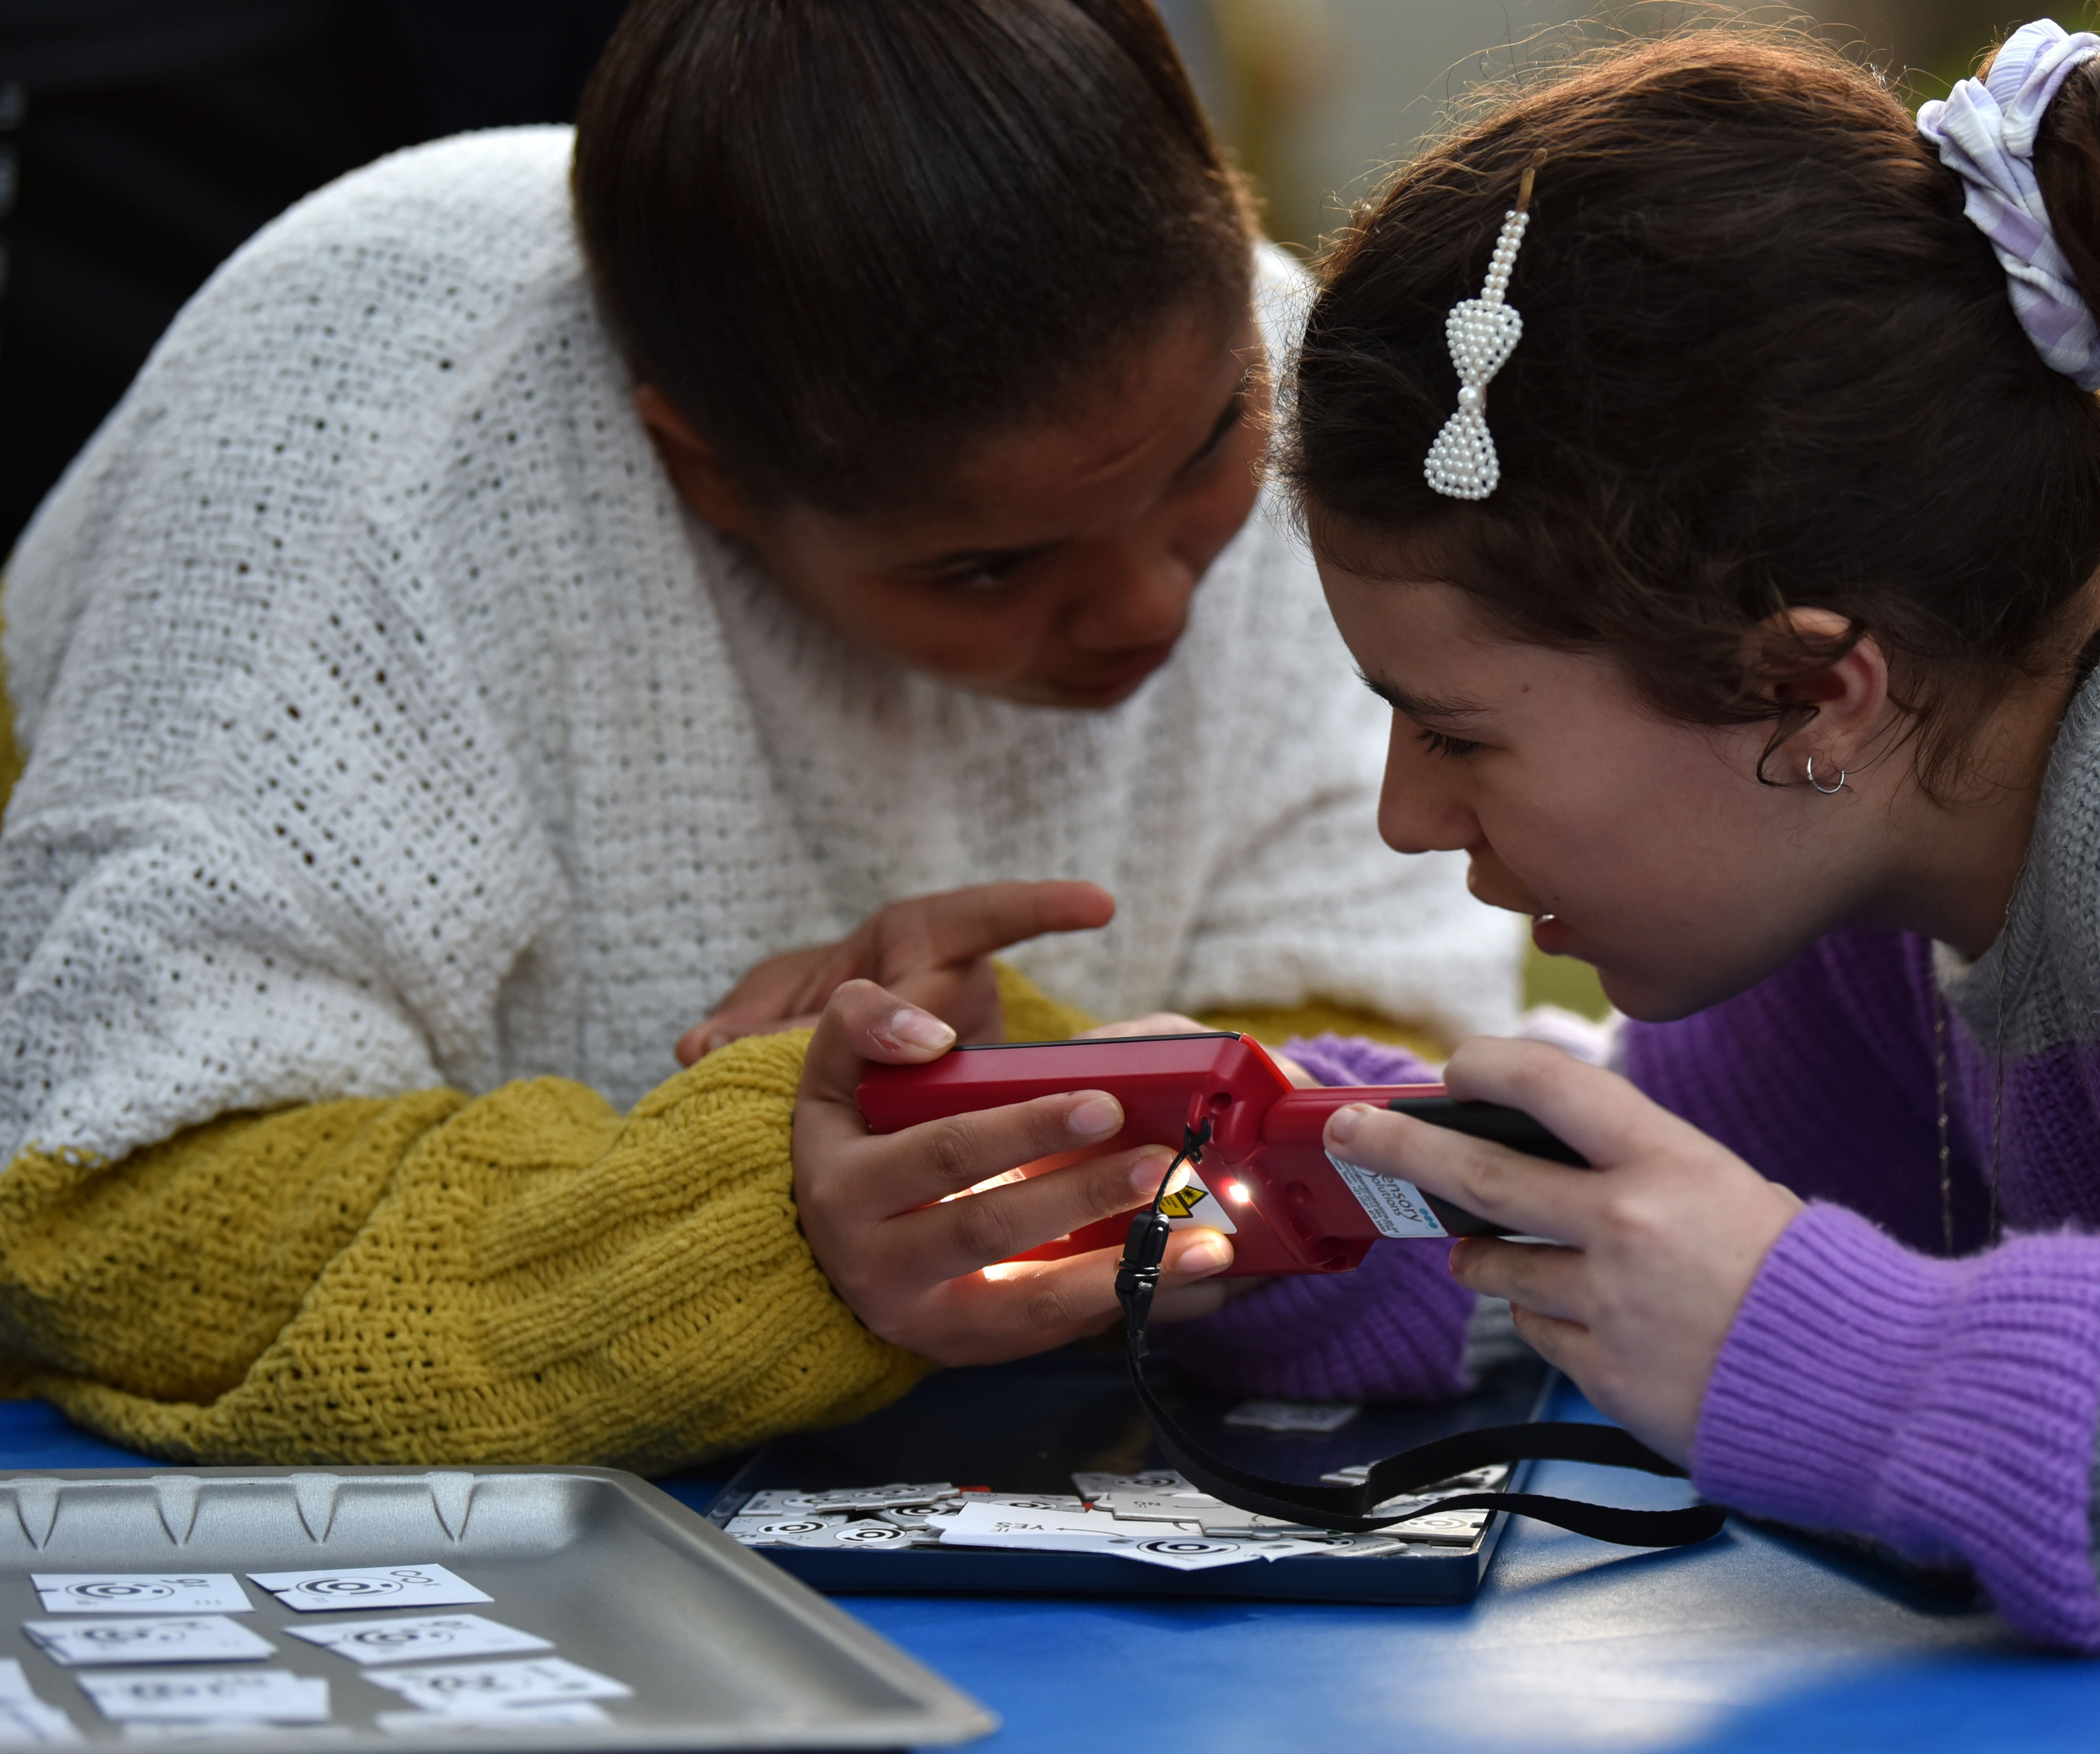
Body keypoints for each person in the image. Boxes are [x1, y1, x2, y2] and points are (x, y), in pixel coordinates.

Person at [0, 0, 1517, 1470]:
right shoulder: (356, 437)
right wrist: (778, 1219)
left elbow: (1402, 1110)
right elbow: (105, 1209)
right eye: (983, 567)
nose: (1145, 608)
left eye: (1209, 450)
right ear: (701, 472)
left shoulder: (1277, 344)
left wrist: (1005, 1105)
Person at [1283, 16, 2100, 1649]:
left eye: (1458, 730)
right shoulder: (1900, 814)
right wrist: (1297, 1196)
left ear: (1809, 692)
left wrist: (1873, 1367)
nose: (1406, 815)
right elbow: (1674, 1251)